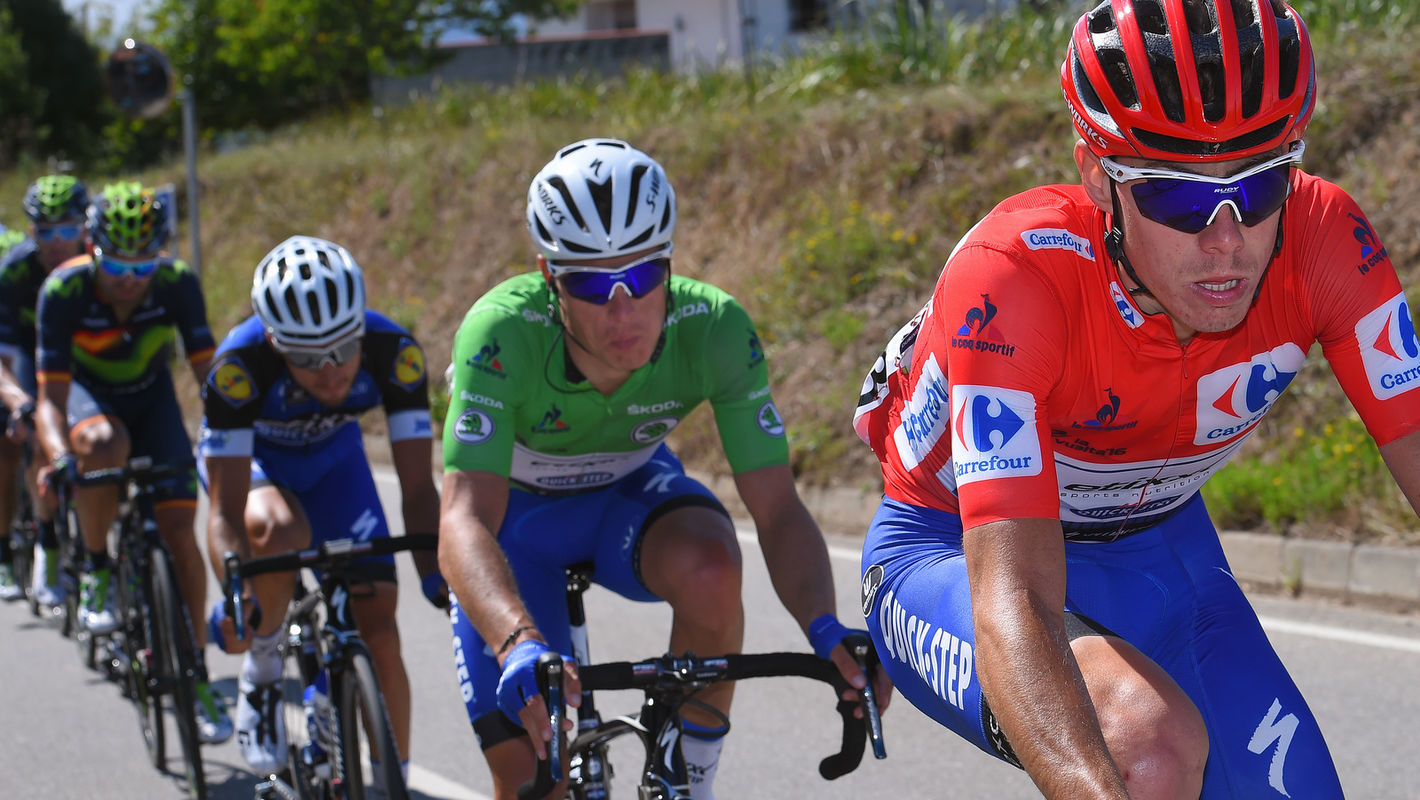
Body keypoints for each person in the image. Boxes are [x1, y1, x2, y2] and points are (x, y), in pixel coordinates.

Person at [851, 0, 1420, 798]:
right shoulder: (1015, 281)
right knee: (1145, 750)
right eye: (1178, 200)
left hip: (1160, 548)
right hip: (953, 554)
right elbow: (1013, 597)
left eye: (1259, 189)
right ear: (1099, 178)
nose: (1225, 239)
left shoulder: (1325, 241)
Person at [438, 137, 890, 800]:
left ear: (669, 264)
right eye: (592, 284)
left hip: (624, 501)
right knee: (534, 776)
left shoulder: (714, 328)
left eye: (644, 277)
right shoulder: (500, 335)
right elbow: (465, 517)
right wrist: (516, 643)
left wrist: (823, 626)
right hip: (516, 526)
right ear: (547, 276)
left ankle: (691, 782)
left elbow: (776, 507)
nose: (623, 310)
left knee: (712, 567)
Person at [200, 235, 443, 781]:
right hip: (258, 467)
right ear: (274, 341)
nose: (332, 371)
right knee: (280, 530)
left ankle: (391, 783)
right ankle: (262, 669)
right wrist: (237, 593)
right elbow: (225, 513)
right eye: (309, 359)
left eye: (342, 349)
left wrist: (436, 575)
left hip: (334, 464)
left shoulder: (394, 353)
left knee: (380, 631)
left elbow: (419, 489)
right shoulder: (237, 367)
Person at [32, 181, 232, 743]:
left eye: (142, 266)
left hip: (152, 402)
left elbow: (210, 376)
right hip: (87, 399)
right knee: (101, 443)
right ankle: (97, 567)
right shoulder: (64, 290)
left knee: (180, 536)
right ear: (93, 249)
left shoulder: (176, 283)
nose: (128, 278)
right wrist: (61, 455)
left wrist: (234, 437)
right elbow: (49, 401)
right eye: (116, 263)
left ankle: (195, 674)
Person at [0, 176, 91, 604]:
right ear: (31, 231)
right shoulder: (14, 271)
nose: (57, 242)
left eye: (68, 229)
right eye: (45, 231)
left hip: (81, 364)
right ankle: (36, 539)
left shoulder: (101, 266)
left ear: (85, 228)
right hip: (21, 365)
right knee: (17, 441)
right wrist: (20, 403)